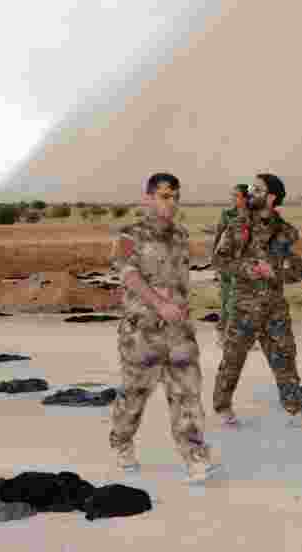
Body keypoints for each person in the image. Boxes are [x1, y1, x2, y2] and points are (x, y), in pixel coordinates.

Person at [108, 173, 220, 484]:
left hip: (179, 332)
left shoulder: (181, 236)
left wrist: (178, 311)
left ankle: (195, 455)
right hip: (142, 332)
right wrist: (159, 304)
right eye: (164, 196)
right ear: (148, 197)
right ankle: (121, 441)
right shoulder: (130, 235)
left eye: (175, 196)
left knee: (188, 395)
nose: (170, 203)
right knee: (133, 397)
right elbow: (128, 275)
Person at [211, 173, 302, 429]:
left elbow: (300, 268)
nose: (250, 192)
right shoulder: (236, 226)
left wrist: (276, 273)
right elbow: (219, 260)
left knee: (285, 359)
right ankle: (222, 406)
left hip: (274, 309)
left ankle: (294, 407)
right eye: (250, 188)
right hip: (243, 307)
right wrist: (247, 268)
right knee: (232, 359)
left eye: (257, 189)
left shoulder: (287, 232)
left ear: (271, 197)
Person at [212, 184, 251, 347]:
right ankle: (222, 332)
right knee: (227, 300)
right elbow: (218, 238)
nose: (233, 199)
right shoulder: (227, 215)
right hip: (228, 263)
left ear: (245, 198)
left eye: (236, 196)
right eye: (232, 195)